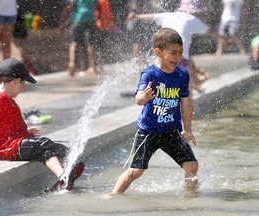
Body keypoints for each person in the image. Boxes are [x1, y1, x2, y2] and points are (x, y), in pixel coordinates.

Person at [112, 28, 199, 194]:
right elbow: (138, 99)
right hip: (148, 132)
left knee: (192, 166)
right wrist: (144, 97)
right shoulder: (150, 74)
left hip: (171, 132)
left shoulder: (182, 74)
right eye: (173, 53)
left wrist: (187, 129)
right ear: (158, 52)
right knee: (135, 172)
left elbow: (186, 102)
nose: (178, 57)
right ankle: (113, 195)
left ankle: (191, 199)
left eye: (180, 52)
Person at [0, 58, 84, 191]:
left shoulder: (5, 99)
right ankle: (62, 176)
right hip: (9, 149)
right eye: (23, 84)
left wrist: (26, 131)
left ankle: (73, 165)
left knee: (54, 146)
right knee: (43, 144)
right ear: (16, 80)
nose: (23, 88)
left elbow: (6, 126)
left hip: (15, 143)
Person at [133, 1, 214, 93]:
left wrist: (137, 16)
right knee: (184, 83)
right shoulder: (191, 18)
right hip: (178, 55)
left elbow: (151, 16)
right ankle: (193, 86)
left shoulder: (169, 15)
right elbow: (210, 31)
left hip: (164, 52)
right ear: (192, 11)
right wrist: (222, 38)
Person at [60, 0, 99, 77]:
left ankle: (72, 64)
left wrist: (65, 21)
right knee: (90, 43)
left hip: (79, 18)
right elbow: (96, 3)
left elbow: (70, 5)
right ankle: (92, 66)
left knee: (74, 42)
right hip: (91, 17)